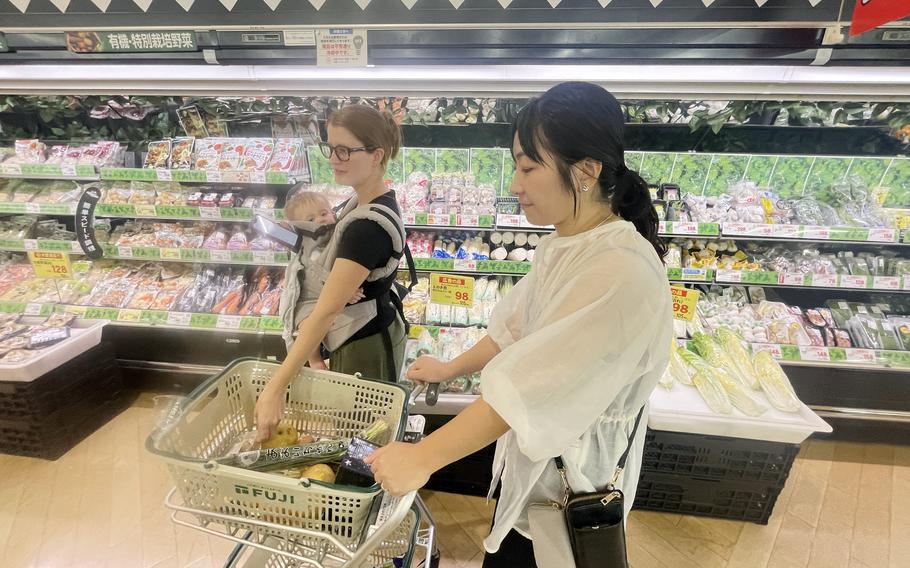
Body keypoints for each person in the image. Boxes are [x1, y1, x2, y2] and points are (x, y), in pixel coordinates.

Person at [365, 82, 673, 566]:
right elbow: (513, 329)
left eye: (529, 167)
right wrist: (448, 370)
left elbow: (530, 388)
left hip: (574, 486)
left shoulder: (621, 268)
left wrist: (423, 458)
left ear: (586, 171)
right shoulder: (567, 242)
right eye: (516, 165)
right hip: (540, 470)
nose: (515, 184)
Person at [256, 105, 408, 443]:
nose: (333, 158)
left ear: (376, 155)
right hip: (367, 331)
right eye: (330, 148)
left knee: (362, 437)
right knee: (362, 429)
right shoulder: (364, 203)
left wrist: (275, 387)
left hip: (363, 343)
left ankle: (364, 491)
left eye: (344, 150)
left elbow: (324, 312)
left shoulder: (367, 228)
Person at [278, 189, 365, 371]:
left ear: (333, 213)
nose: (320, 220)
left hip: (329, 292)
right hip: (309, 298)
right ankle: (314, 359)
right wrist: (344, 291)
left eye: (324, 213)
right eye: (310, 220)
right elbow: (318, 271)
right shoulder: (309, 242)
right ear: (299, 225)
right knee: (308, 326)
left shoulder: (339, 230)